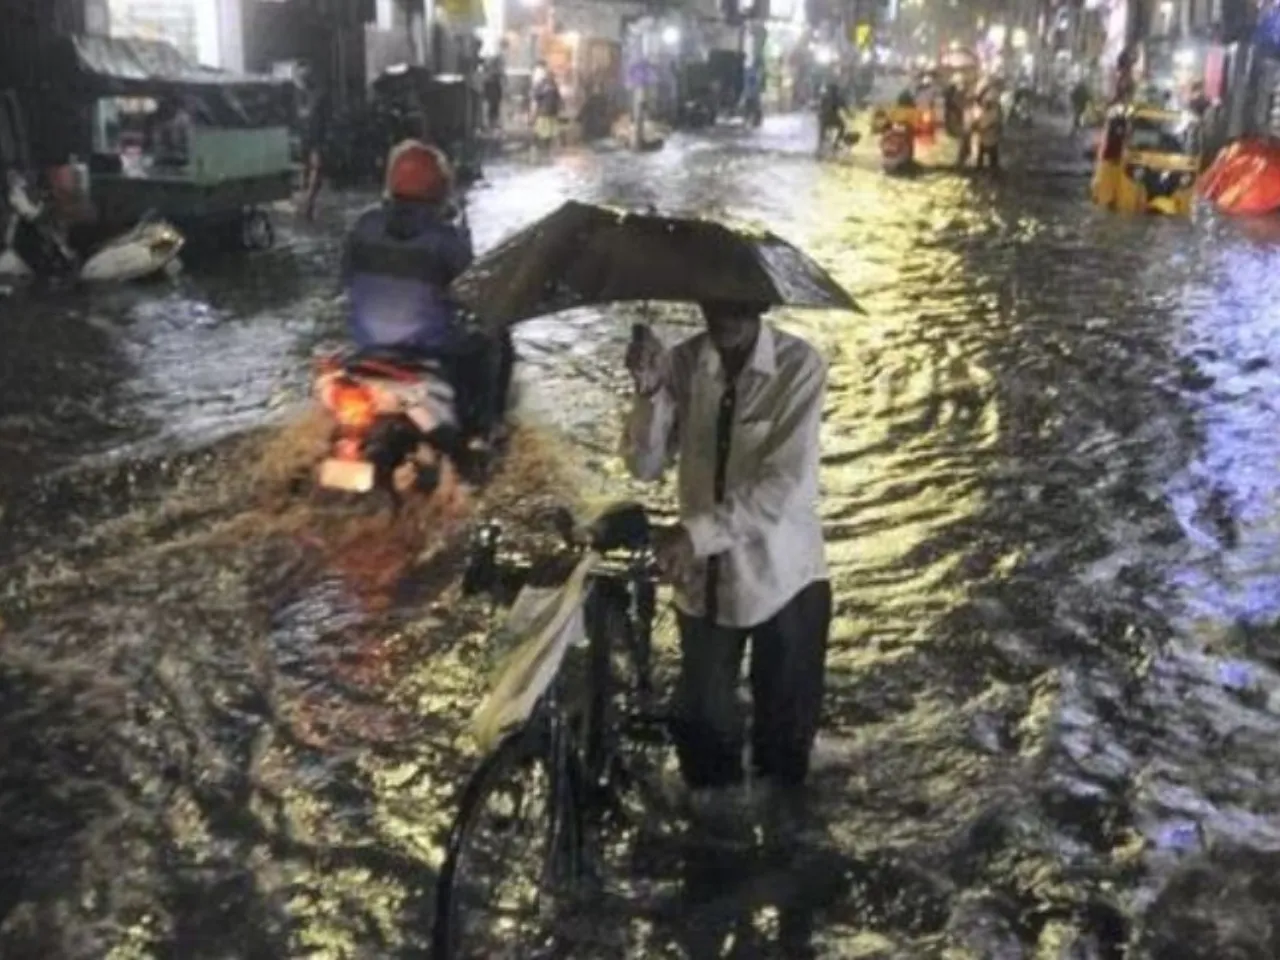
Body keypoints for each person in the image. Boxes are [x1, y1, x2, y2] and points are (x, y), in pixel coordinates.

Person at [622, 303, 832, 816]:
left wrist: (694, 535)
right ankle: (714, 851)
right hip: (705, 585)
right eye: (713, 301)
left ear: (761, 304)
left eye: (737, 302)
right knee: (702, 745)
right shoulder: (683, 364)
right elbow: (643, 465)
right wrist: (649, 389)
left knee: (783, 757)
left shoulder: (799, 366)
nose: (723, 315)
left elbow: (779, 488)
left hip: (784, 579)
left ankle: (783, 857)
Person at [342, 141, 509, 442]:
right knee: (494, 341)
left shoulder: (363, 226)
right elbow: (473, 294)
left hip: (368, 352)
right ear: (440, 187)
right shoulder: (447, 238)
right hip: (430, 354)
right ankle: (484, 433)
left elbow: (347, 281)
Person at [299, 66, 332, 221]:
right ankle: (308, 204)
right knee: (313, 172)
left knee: (314, 172)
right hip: (312, 140)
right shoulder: (310, 97)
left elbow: (321, 118)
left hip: (314, 140)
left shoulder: (315, 97)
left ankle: (308, 203)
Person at [532, 65, 562, 151]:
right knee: (542, 131)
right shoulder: (542, 85)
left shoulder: (553, 85)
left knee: (549, 132)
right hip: (544, 112)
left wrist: (559, 107)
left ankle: (546, 146)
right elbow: (536, 96)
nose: (552, 77)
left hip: (551, 112)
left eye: (552, 76)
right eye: (550, 75)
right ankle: (539, 145)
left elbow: (557, 97)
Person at [816, 81, 847, 154]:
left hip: (825, 119)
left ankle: (820, 146)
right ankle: (836, 143)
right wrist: (851, 115)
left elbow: (820, 108)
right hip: (833, 118)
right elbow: (846, 109)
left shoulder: (825, 97)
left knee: (822, 131)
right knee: (842, 126)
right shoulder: (839, 98)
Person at [975, 94, 1003, 171]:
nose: (987, 104)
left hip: (992, 137)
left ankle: (994, 169)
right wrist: (979, 128)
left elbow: (997, 124)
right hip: (983, 137)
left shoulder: (994, 113)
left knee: (993, 155)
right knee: (981, 154)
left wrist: (990, 129)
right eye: (986, 103)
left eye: (988, 103)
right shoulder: (981, 112)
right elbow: (977, 123)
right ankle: (979, 168)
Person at [483, 43, 507, 131]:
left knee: (493, 105)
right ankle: (491, 123)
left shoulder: (496, 59)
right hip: (492, 86)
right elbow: (500, 72)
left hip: (493, 86)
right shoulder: (496, 61)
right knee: (492, 105)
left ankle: (492, 123)